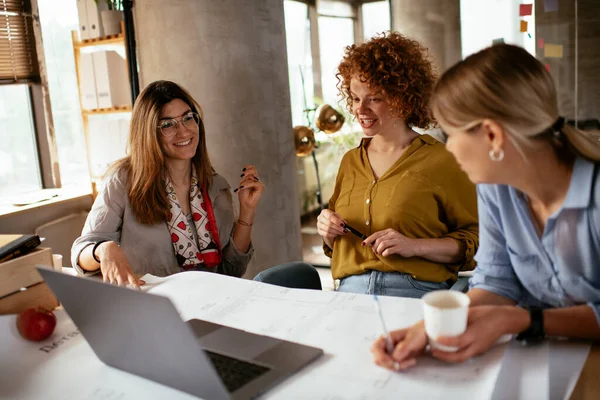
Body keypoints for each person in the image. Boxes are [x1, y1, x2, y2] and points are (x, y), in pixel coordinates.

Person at [372, 43, 600, 371]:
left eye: (451, 134)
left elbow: (515, 314)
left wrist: (520, 320)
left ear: (492, 135)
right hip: (543, 363)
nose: (448, 148)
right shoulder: (495, 187)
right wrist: (430, 328)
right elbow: (497, 281)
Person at [314, 32, 479, 298]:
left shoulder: (442, 160)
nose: (361, 109)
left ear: (403, 97)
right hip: (349, 291)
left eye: (375, 98)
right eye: (356, 98)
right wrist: (327, 230)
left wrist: (414, 246)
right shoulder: (350, 162)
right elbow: (334, 246)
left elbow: (473, 240)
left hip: (415, 290)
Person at [71, 80, 264, 287]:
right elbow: (80, 253)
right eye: (167, 124)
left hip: (207, 304)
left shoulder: (216, 186)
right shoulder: (124, 180)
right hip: (151, 307)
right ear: (149, 133)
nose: (183, 132)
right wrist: (102, 249)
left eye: (188, 118)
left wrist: (247, 211)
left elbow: (230, 273)